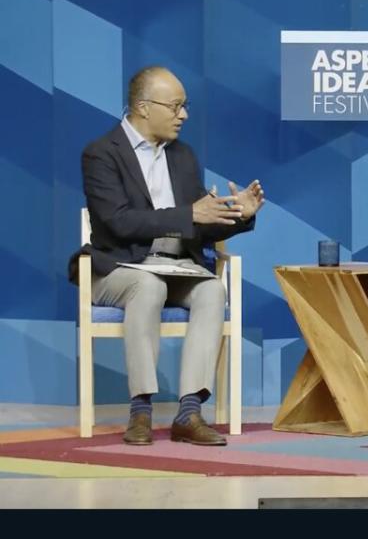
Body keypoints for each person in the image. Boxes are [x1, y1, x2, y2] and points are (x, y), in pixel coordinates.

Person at [68, 66, 265, 446]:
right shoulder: (100, 154)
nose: (184, 115)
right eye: (176, 106)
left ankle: (189, 413)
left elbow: (201, 223)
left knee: (211, 290)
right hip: (120, 268)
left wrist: (238, 215)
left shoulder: (183, 156)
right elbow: (117, 222)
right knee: (148, 285)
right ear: (143, 107)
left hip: (177, 266)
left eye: (184, 106)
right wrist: (190, 214)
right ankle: (140, 410)